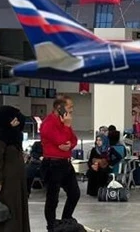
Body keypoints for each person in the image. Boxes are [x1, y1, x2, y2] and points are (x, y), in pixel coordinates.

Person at [0, 105, 30, 232]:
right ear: (5, 118)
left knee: (13, 213)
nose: (17, 123)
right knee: (4, 216)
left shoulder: (9, 134)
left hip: (12, 185)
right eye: (15, 120)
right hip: (3, 186)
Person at [40, 96, 80, 232]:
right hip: (53, 164)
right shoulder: (48, 123)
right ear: (60, 108)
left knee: (74, 193)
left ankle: (65, 220)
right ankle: (51, 226)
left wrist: (69, 144)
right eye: (69, 107)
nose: (72, 110)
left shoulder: (64, 121)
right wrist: (67, 127)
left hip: (65, 163)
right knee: (53, 198)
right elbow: (62, 140)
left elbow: (73, 140)